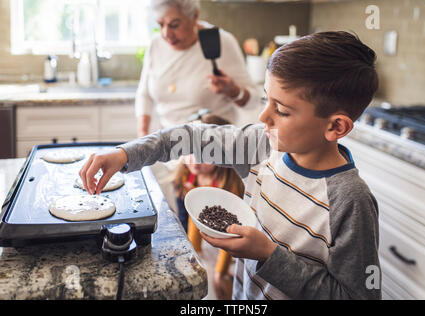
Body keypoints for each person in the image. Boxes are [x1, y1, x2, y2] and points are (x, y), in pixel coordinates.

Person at [79, 31, 381, 300]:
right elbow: (190, 137)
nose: (264, 117)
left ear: (336, 127)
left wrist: (268, 255)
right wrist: (126, 154)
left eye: (283, 110)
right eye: (266, 99)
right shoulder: (260, 146)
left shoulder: (350, 201)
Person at [136, 0, 259, 136]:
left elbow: (253, 101)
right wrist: (143, 135)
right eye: (160, 24)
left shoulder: (221, 41)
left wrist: (233, 91)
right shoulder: (156, 44)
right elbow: (144, 94)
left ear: (194, 16)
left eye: (174, 25)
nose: (166, 33)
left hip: (214, 146)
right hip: (170, 145)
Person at [173, 112, 244, 300]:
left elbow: (230, 238)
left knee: (219, 286)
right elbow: (185, 219)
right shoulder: (183, 177)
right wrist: (190, 255)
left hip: (232, 248)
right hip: (200, 240)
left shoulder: (230, 187)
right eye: (190, 151)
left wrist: (219, 273)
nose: (195, 161)